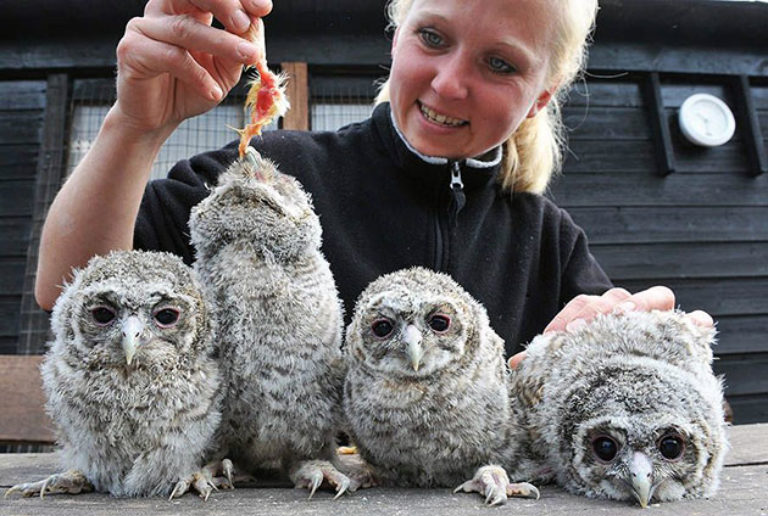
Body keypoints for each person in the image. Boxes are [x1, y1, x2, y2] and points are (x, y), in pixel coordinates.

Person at [34, 0, 712, 362]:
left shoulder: (546, 241)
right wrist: (133, 127)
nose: (449, 83)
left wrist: (617, 340)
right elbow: (70, 285)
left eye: (501, 64)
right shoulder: (270, 176)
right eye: (434, 38)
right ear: (397, 39)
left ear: (541, 96)